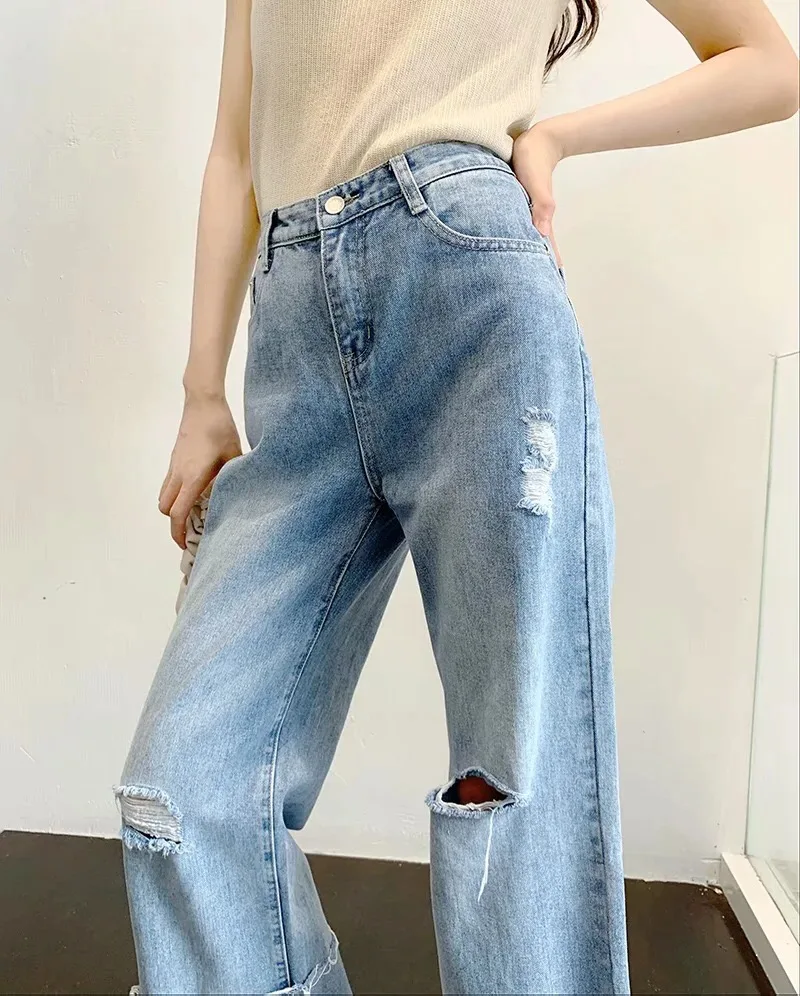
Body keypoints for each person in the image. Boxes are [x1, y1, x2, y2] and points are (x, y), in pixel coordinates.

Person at [116, 1, 798, 993]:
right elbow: (234, 154)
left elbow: (767, 63)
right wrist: (200, 393)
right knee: (183, 787)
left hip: (468, 290)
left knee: (510, 786)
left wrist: (555, 137)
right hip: (294, 336)